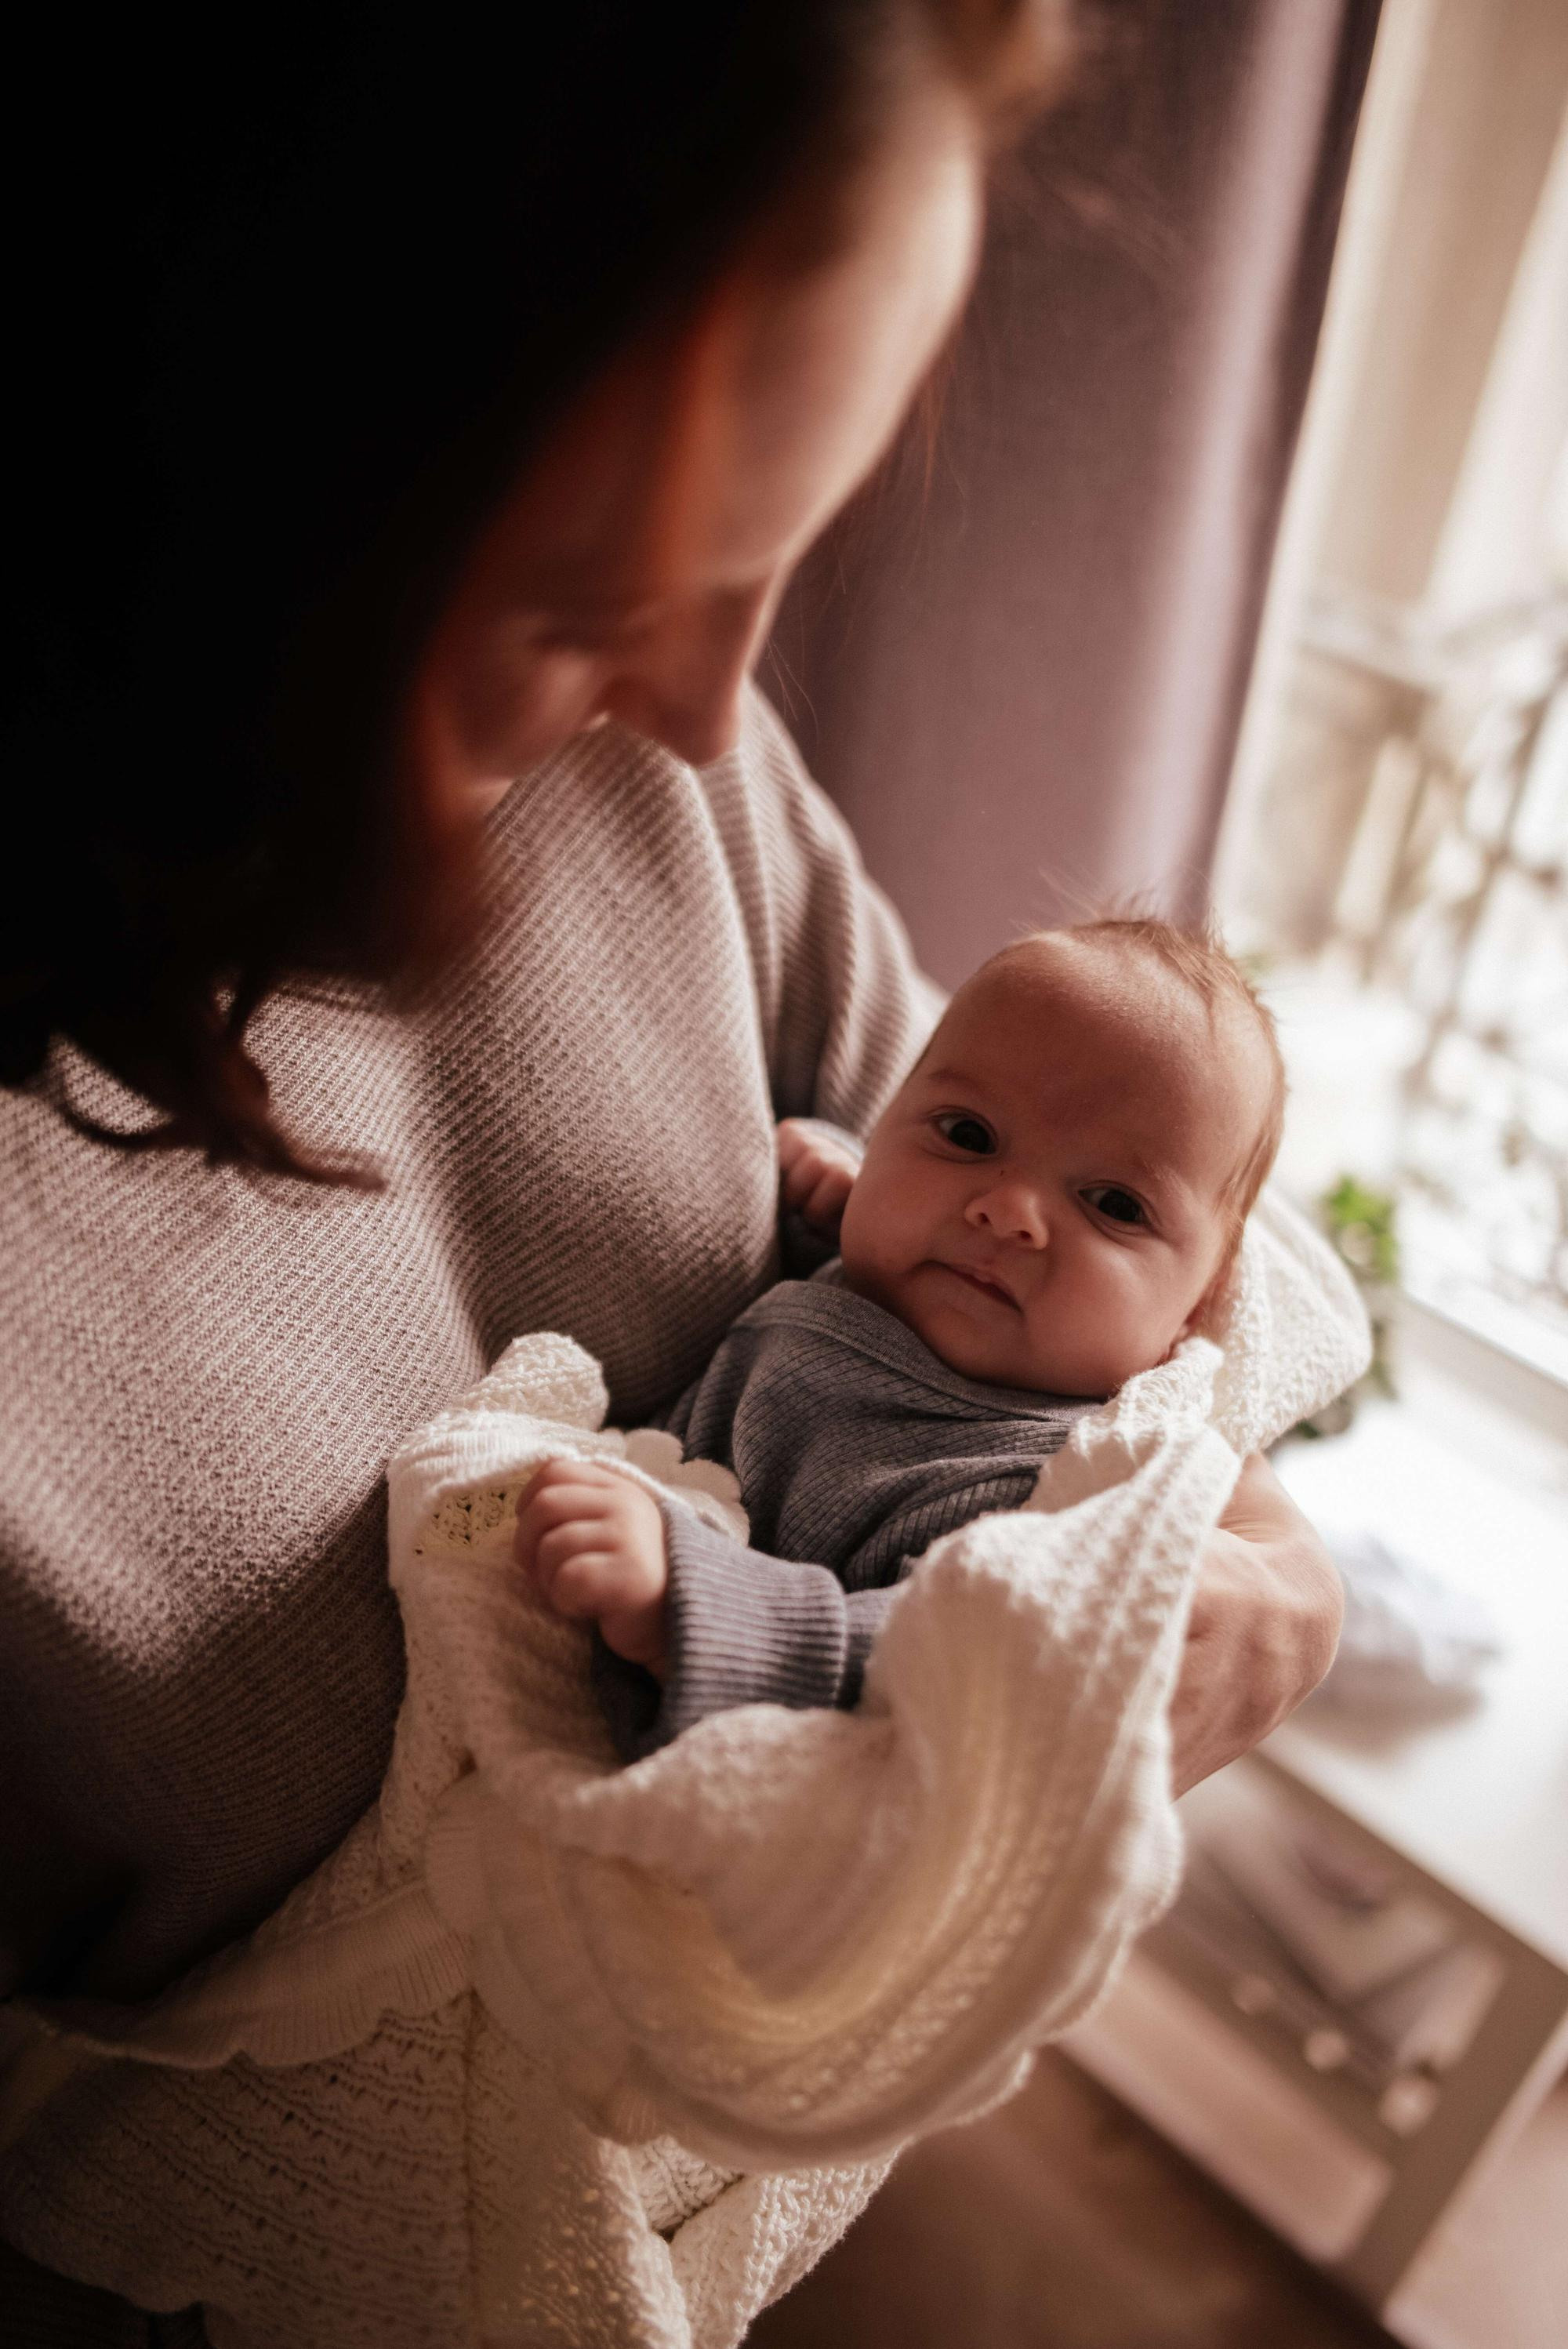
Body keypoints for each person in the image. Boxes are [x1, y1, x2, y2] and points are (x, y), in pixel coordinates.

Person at [1, 7, 1341, 2338]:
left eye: (771, 565)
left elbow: (1115, 1198)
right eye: (582, 601)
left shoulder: (666, 773)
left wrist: (1247, 1560)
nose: (714, 718)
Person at [517, 918, 1290, 1753]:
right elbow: (846, 1291)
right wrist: (836, 1207)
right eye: (966, 1135)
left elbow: (940, 1661)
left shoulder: (1053, 1487)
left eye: (1111, 1203)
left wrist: (689, 1604)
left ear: (1196, 1307)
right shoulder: (893, 1278)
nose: (1007, 1210)